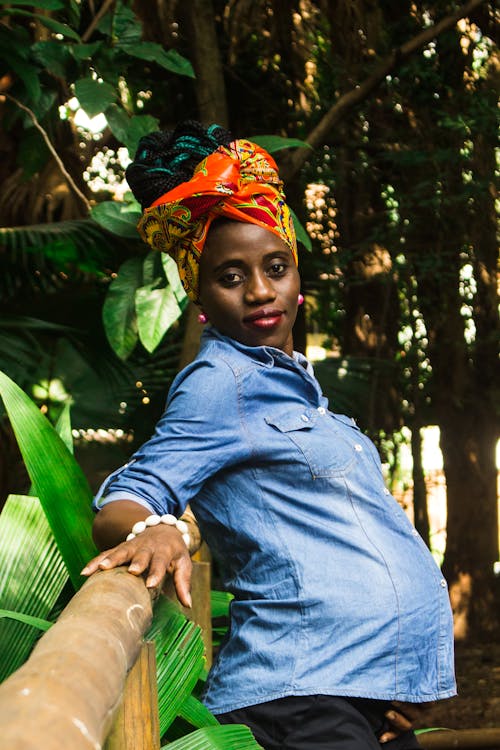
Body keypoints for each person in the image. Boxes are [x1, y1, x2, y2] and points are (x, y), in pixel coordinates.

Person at [82, 121, 456, 750]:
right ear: (199, 296)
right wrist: (160, 530)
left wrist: (385, 681)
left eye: (275, 267)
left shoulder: (292, 387)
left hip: (347, 692)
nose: (260, 291)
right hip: (297, 702)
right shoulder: (217, 381)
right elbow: (128, 497)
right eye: (231, 276)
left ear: (297, 280)